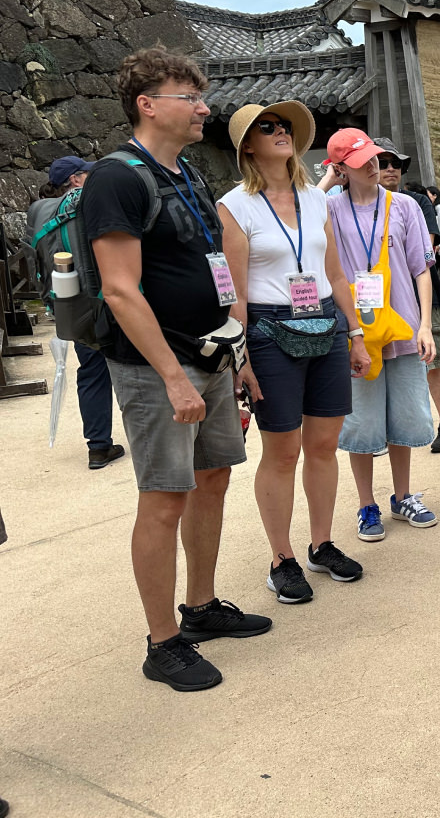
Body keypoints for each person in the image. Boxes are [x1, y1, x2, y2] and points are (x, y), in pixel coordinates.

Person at [84, 46, 270, 692]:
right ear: (147, 104)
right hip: (156, 364)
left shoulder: (184, 174)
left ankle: (200, 606)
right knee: (164, 497)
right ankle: (161, 641)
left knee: (212, 477)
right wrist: (169, 375)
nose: (203, 107)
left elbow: (214, 274)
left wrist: (237, 358)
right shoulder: (117, 178)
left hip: (212, 355)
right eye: (189, 96)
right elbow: (120, 289)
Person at [217, 102, 372, 604]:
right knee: (282, 450)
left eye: (284, 126)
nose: (280, 132)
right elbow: (234, 292)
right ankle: (281, 557)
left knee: (325, 443)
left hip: (325, 322)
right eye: (268, 127)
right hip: (267, 329)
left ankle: (322, 543)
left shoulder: (315, 199)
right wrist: (238, 357)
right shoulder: (235, 205)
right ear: (248, 146)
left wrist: (355, 333)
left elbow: (336, 274)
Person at [324, 129, 439, 539]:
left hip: (403, 325)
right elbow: (304, 207)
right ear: (341, 169)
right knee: (361, 422)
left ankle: (403, 495)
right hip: (357, 332)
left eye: (375, 158)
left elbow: (421, 269)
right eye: (361, 162)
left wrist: (425, 324)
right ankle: (366, 503)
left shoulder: (404, 205)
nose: (374, 166)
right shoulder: (330, 210)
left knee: (404, 416)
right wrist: (329, 178)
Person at [27, 155, 126, 469]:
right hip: (113, 299)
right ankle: (156, 437)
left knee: (92, 372)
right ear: (75, 179)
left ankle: (98, 447)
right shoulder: (87, 203)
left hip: (73, 306)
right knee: (135, 367)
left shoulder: (42, 213)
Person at [375, 141, 440, 454]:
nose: (390, 169)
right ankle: (385, 429)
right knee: (382, 361)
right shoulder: (356, 205)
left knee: (432, 358)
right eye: (383, 163)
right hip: (381, 298)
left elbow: (427, 246)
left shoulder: (416, 201)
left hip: (423, 295)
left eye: (395, 163)